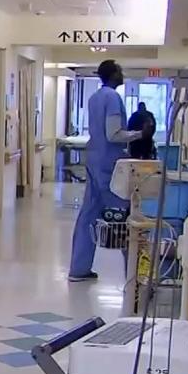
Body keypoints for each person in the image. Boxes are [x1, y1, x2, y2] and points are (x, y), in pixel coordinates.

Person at [68, 60, 146, 282]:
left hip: (95, 160)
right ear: (112, 75)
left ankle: (78, 269)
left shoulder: (94, 97)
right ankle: (134, 275)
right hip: (109, 165)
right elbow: (113, 134)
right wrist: (140, 134)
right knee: (125, 217)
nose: (122, 73)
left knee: (88, 215)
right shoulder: (112, 97)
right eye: (119, 70)